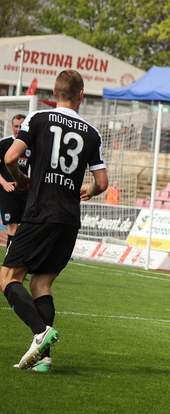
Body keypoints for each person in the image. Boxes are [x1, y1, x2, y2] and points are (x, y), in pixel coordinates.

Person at [0, 69, 108, 372]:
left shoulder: (38, 118)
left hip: (39, 213)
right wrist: (89, 190)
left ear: (55, 93)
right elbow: (102, 182)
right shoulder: (92, 133)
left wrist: (21, 179)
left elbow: (10, 158)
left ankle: (40, 332)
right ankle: (44, 359)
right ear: (80, 95)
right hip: (69, 219)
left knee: (8, 278)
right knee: (42, 283)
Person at [0, 114, 29, 249]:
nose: (18, 129)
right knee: (12, 226)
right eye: (16, 126)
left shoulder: (31, 145)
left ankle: (20, 255)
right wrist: (4, 183)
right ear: (12, 127)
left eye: (21, 127)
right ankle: (10, 256)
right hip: (8, 191)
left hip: (25, 190)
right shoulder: (4, 143)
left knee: (25, 227)